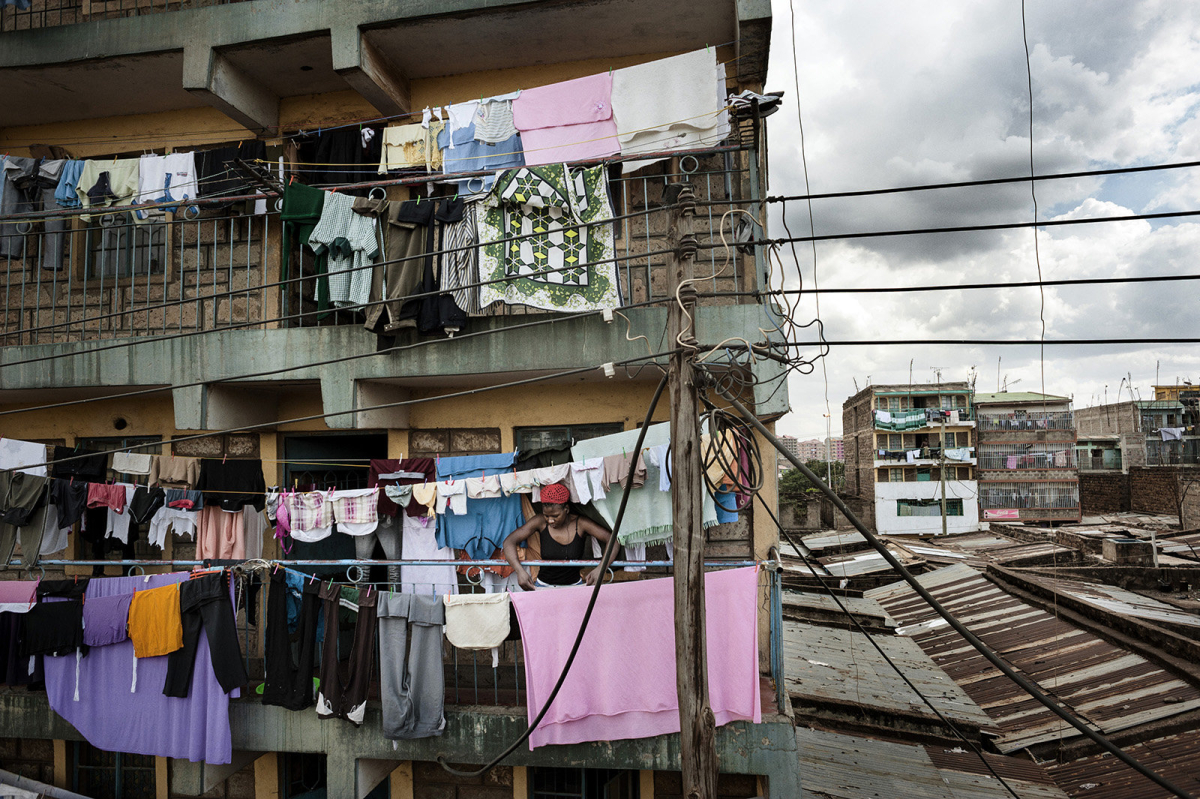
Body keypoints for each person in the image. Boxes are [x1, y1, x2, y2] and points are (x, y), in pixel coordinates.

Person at [501, 483, 611, 590]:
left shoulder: (581, 524)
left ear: (566, 509)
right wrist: (520, 571)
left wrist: (601, 568)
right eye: (546, 515)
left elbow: (612, 539)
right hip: (543, 587)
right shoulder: (540, 522)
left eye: (555, 516)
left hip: (574, 588)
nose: (550, 520)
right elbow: (509, 542)